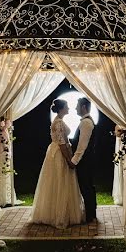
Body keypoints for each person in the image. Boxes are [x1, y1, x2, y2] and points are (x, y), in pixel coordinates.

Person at [30, 99, 84, 228]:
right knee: (60, 181)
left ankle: (54, 211)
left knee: (55, 181)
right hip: (59, 154)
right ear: (61, 108)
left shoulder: (58, 121)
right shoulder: (59, 123)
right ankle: (60, 215)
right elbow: (61, 143)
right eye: (67, 106)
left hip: (54, 152)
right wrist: (69, 159)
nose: (69, 109)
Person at [70, 96, 98, 223]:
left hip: (85, 161)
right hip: (88, 160)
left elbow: (82, 146)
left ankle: (90, 215)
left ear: (83, 107)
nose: (75, 108)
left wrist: (74, 161)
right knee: (88, 186)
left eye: (77, 106)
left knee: (86, 187)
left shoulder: (86, 123)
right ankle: (91, 213)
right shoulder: (85, 121)